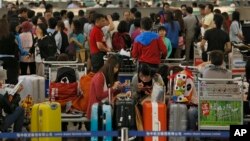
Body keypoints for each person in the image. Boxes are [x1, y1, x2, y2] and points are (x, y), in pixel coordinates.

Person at [86, 55, 122, 119]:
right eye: (115, 67)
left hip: (104, 110)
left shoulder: (108, 76)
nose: (116, 70)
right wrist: (113, 88)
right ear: (110, 66)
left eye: (118, 68)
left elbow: (110, 93)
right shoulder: (99, 77)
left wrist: (120, 87)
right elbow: (99, 96)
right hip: (96, 113)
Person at [0, 68, 24, 132]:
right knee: (20, 109)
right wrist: (13, 95)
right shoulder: (1, 97)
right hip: (1, 125)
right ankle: (16, 136)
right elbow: (9, 110)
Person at [0, 19, 19, 85]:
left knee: (1, 83)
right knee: (12, 83)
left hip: (1, 62)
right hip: (12, 62)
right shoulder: (11, 36)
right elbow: (17, 48)